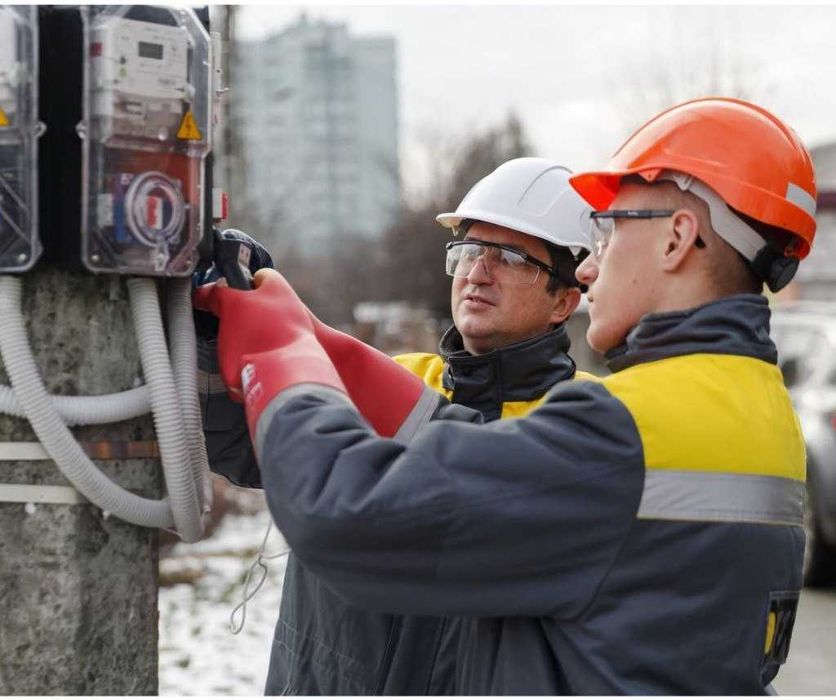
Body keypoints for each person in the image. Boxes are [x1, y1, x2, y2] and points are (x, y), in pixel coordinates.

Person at [195, 97, 815, 694]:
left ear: (677, 239)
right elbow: (458, 434)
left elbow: (350, 511)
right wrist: (292, 334)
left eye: (607, 233)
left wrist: (279, 353)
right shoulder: (759, 411)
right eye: (469, 250)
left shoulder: (618, 428)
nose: (592, 268)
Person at [196, 158, 593, 694]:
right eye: (471, 251)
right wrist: (211, 332)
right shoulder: (400, 378)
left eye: (512, 259)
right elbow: (251, 440)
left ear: (565, 301)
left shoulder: (584, 423)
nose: (478, 272)